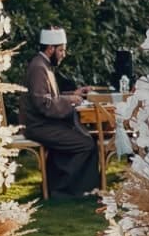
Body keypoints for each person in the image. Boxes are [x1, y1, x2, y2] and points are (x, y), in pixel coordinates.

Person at [21, 29, 100, 197]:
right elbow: (44, 103)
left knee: (87, 139)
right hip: (38, 126)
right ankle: (63, 189)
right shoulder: (38, 68)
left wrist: (75, 94)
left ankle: (73, 187)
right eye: (61, 50)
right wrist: (71, 100)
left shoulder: (43, 65)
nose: (64, 54)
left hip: (44, 124)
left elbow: (50, 98)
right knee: (86, 144)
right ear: (50, 49)